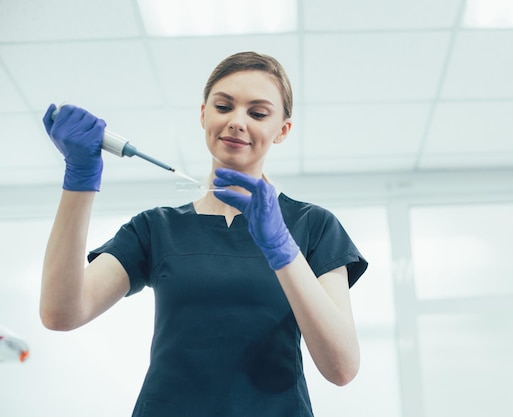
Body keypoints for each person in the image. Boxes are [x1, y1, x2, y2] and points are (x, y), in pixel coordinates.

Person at [40, 51, 368, 417]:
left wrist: (282, 247)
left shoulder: (313, 225)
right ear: (203, 114)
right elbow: (60, 313)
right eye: (224, 106)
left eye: (257, 113)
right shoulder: (156, 228)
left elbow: (342, 368)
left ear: (282, 130)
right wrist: (80, 179)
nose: (237, 122)